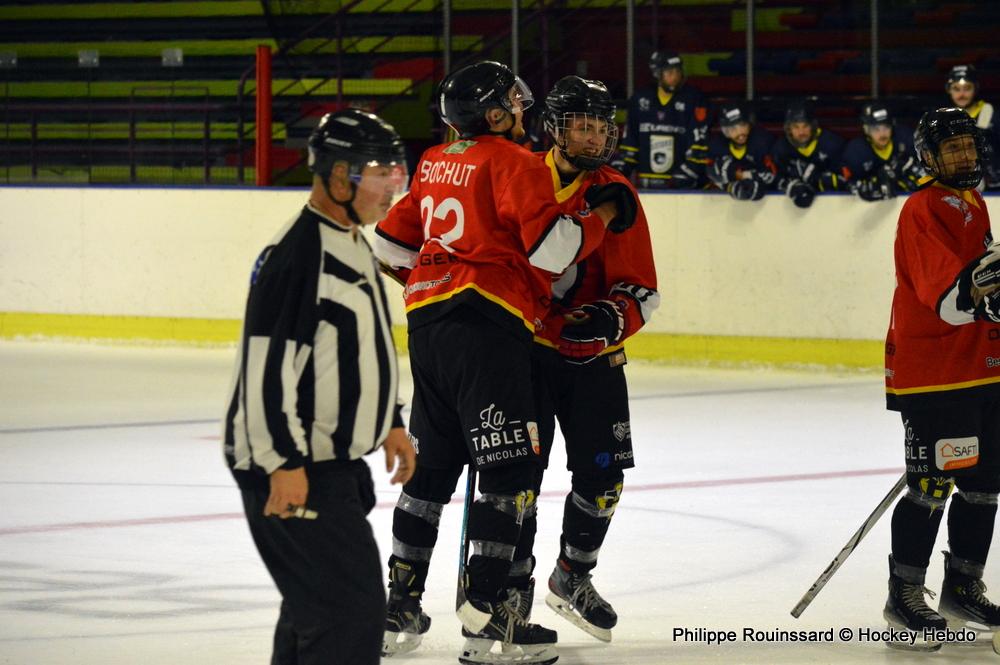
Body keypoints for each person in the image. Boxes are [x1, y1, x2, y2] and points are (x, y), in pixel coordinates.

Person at [373, 60, 635, 665]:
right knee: (512, 472)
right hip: (487, 328)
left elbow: (389, 245)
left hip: (427, 322)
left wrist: (441, 273)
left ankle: (399, 610)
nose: (523, 112)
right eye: (514, 105)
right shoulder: (514, 162)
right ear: (494, 113)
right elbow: (552, 253)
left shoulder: (436, 160)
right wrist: (598, 216)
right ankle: (490, 626)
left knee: (433, 469)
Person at [222, 108, 417, 665]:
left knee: (316, 610)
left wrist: (391, 423)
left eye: (393, 171)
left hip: (329, 465)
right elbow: (265, 368)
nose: (391, 186)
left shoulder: (351, 237)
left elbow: (362, 348)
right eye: (378, 172)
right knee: (349, 615)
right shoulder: (299, 256)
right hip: (292, 466)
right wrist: (281, 462)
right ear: (338, 177)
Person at [510, 75, 658, 643]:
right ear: (556, 127)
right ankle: (510, 588)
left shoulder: (617, 190)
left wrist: (610, 317)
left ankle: (572, 575)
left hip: (595, 360)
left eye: (602, 127)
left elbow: (643, 286)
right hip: (526, 354)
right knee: (515, 476)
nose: (595, 137)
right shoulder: (522, 177)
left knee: (604, 477)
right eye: (583, 126)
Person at [883, 107, 1000, 650]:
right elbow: (949, 298)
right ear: (928, 158)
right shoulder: (921, 207)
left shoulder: (974, 204)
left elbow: (981, 296)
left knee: (984, 483)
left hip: (983, 365)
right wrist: (983, 290)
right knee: (931, 484)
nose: (964, 156)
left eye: (968, 146)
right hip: (933, 372)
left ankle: (963, 584)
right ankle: (904, 592)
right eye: (951, 148)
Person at [615, 50, 710, 190]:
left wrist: (691, 169)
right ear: (657, 73)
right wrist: (622, 165)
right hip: (647, 182)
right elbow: (631, 140)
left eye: (678, 71)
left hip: (682, 185)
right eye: (669, 72)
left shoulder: (693, 98)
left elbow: (699, 141)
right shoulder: (640, 99)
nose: (675, 76)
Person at [842, 101, 925, 202]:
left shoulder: (906, 138)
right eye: (875, 129)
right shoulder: (856, 151)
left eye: (886, 127)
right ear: (866, 129)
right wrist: (870, 186)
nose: (882, 134)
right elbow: (848, 183)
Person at [771, 99, 846, 208]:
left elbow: (847, 180)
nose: (801, 132)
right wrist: (789, 185)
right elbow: (772, 178)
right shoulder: (780, 148)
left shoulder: (832, 144)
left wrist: (821, 180)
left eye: (805, 126)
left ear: (813, 126)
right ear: (789, 129)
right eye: (796, 127)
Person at [706, 101, 777, 201]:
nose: (740, 134)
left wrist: (739, 176)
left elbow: (771, 176)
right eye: (733, 129)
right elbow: (711, 174)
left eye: (742, 125)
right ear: (725, 131)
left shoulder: (762, 141)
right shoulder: (717, 145)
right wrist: (730, 187)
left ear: (749, 124)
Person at [946, 64, 999, 190]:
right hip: (957, 184)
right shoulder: (943, 117)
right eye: (956, 89)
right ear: (949, 90)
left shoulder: (991, 114)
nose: (962, 94)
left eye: (967, 88)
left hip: (993, 186)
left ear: (975, 89)